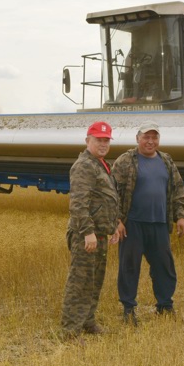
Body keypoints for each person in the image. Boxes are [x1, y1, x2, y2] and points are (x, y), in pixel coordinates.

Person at [111, 121, 184, 326]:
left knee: (164, 267)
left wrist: (180, 216)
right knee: (129, 268)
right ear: (138, 139)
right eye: (146, 137)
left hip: (159, 224)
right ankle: (128, 310)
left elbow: (177, 189)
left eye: (154, 137)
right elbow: (112, 193)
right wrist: (117, 220)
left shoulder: (166, 161)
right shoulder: (125, 161)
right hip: (133, 224)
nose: (150, 141)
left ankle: (165, 306)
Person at [60, 121, 121, 339]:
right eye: (98, 140)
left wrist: (114, 225)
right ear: (88, 141)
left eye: (106, 140)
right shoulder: (84, 166)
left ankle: (88, 321)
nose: (103, 144)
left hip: (100, 233)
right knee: (80, 282)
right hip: (86, 235)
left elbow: (106, 199)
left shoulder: (101, 164)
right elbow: (78, 203)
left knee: (95, 280)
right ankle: (70, 330)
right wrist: (88, 232)